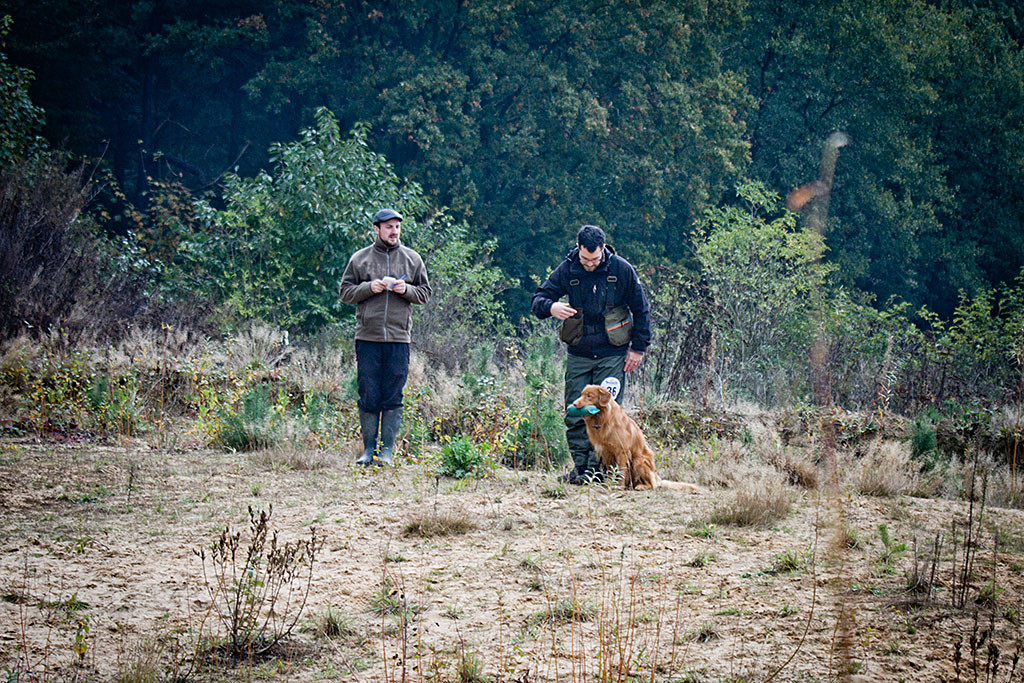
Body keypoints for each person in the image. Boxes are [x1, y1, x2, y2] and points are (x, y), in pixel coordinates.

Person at [531, 225, 651, 484]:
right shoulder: (568, 269)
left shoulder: (621, 269)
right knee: (575, 411)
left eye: (594, 259)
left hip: (612, 352)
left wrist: (638, 348)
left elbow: (641, 309)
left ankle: (600, 471)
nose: (589, 264)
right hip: (580, 352)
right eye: (585, 259)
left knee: (605, 413)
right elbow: (538, 299)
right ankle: (582, 469)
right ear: (579, 250)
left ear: (603, 250)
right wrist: (551, 306)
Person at [339, 208, 431, 466]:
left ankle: (387, 451)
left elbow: (425, 293)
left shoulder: (412, 259)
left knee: (393, 393)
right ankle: (368, 450)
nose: (394, 232)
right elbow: (345, 292)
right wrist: (370, 287)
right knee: (368, 392)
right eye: (388, 227)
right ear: (376, 229)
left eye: (397, 227)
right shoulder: (360, 259)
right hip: (367, 337)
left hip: (399, 338)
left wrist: (407, 289)